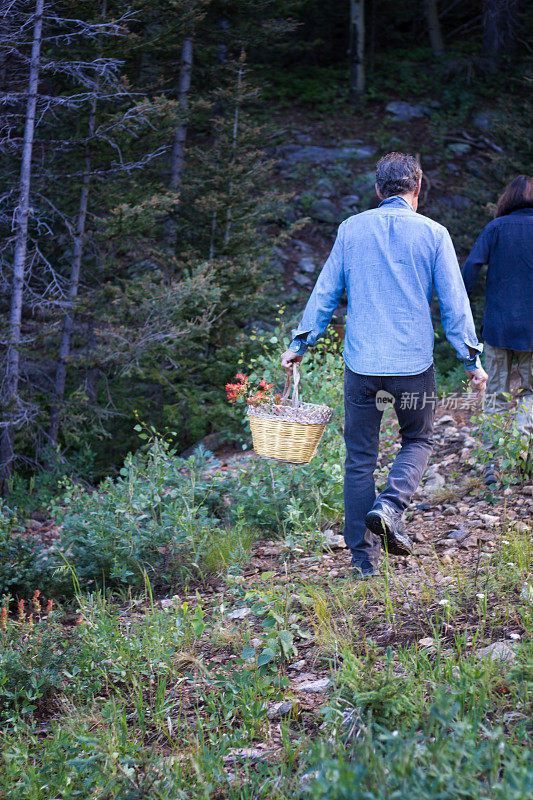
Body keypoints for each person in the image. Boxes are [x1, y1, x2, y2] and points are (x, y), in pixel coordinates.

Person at [280, 152, 487, 579]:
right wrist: (471, 359)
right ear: (417, 188)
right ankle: (390, 506)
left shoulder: (351, 230)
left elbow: (325, 292)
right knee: (419, 440)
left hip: (361, 365)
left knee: (359, 457)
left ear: (378, 190)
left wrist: (301, 342)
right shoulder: (434, 233)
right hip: (412, 366)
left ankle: (362, 560)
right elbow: (454, 302)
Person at [462, 175, 533, 484]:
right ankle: (520, 450)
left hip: (498, 327)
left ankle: (493, 463)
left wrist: (460, 310)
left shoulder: (495, 228)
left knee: (495, 394)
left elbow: (470, 268)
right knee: (531, 393)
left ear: (509, 198)